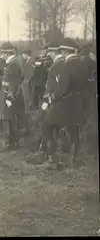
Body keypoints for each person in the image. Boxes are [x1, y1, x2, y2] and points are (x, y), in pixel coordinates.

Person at [39, 38, 84, 169]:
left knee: (46, 126)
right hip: (77, 104)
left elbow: (62, 88)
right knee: (74, 131)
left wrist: (51, 98)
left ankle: (52, 160)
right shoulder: (81, 63)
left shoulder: (65, 65)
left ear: (64, 51)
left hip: (63, 105)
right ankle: (73, 161)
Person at [0, 42, 25, 150]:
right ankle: (13, 142)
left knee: (8, 118)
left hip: (9, 95)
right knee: (9, 118)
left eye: (3, 53)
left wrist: (10, 96)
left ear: (7, 53)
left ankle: (10, 142)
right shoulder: (12, 63)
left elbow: (14, 82)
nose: (1, 55)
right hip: (8, 93)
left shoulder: (13, 64)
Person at [20, 48, 35, 128]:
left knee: (27, 101)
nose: (23, 56)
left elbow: (30, 75)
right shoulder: (28, 62)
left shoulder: (30, 62)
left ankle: (27, 125)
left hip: (27, 85)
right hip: (26, 84)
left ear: (26, 54)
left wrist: (25, 82)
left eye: (23, 54)